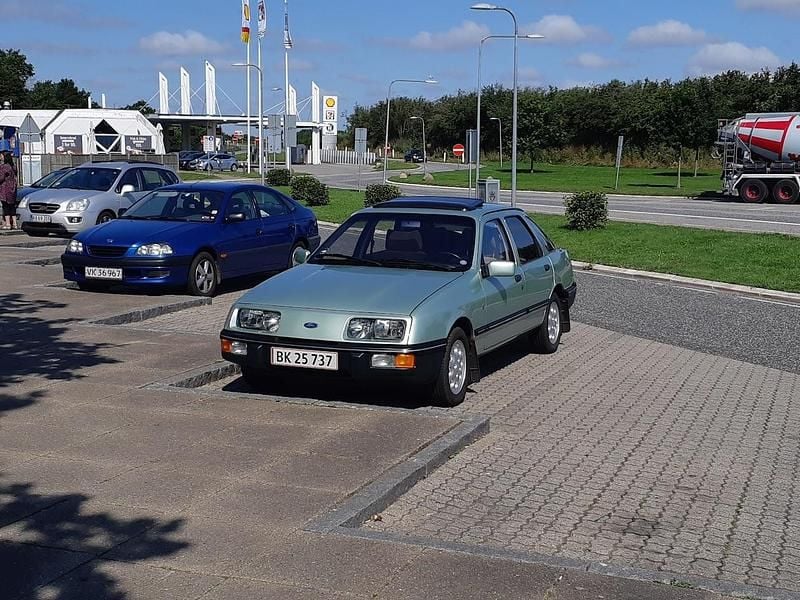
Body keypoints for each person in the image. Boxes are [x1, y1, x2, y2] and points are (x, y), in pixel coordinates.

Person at [0, 152, 18, 230]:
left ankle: (8, 224)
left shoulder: (4, 167)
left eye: (1, 156)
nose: (0, 157)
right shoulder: (13, 167)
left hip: (5, 189)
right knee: (12, 206)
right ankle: (14, 223)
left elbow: (1, 178)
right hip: (13, 188)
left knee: (5, 206)